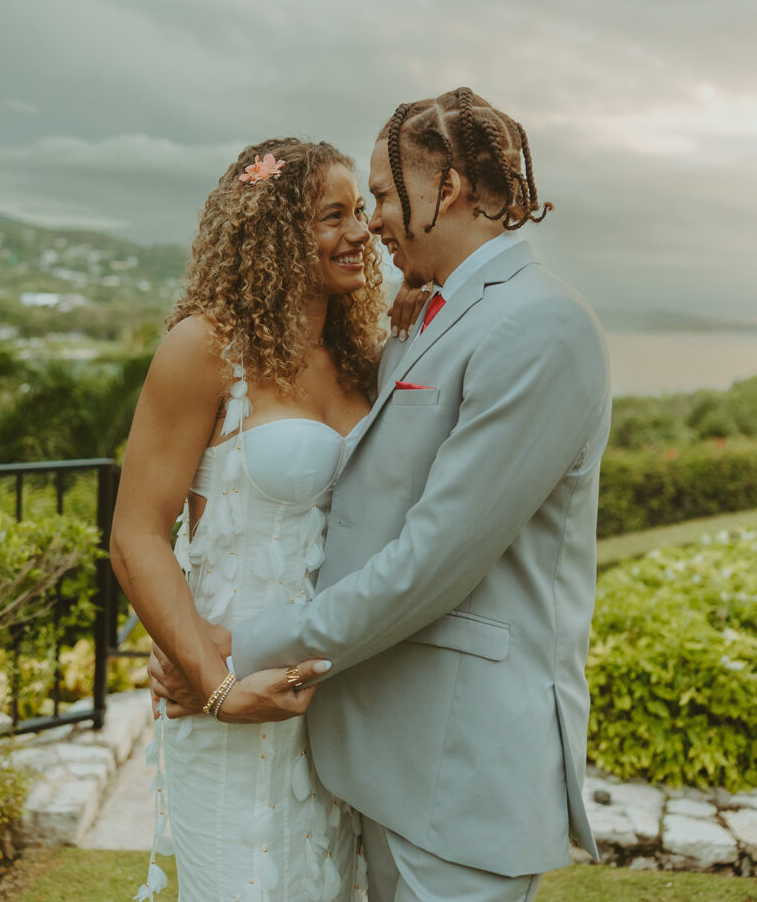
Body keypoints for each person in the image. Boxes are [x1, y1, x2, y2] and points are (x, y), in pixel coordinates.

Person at [152, 89, 611, 902]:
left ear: (452, 189)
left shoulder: (542, 326)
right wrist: (193, 645)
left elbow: (433, 560)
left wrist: (228, 653)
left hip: (458, 766)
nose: (374, 225)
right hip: (369, 745)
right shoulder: (421, 324)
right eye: (349, 210)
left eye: (386, 198)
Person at [110, 137, 392, 901]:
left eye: (362, 211)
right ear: (274, 235)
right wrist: (212, 686)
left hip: (333, 703)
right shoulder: (206, 350)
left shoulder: (363, 355)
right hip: (227, 692)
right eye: (334, 215)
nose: (361, 232)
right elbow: (135, 535)